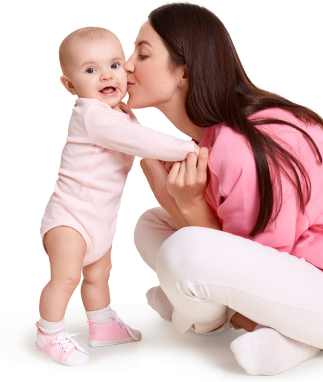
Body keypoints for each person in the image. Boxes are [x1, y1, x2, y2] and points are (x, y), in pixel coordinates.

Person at [129, 3, 323, 376]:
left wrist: (186, 201)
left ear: (183, 72)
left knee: (182, 252)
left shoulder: (239, 144)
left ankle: (219, 319)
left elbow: (241, 254)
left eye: (143, 53)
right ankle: (226, 317)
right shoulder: (214, 136)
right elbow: (235, 254)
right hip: (304, 272)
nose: (128, 64)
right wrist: (174, 197)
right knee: (151, 225)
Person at [36, 26, 199, 366]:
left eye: (113, 65)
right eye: (90, 70)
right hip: (70, 217)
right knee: (66, 277)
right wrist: (190, 148)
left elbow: (139, 135)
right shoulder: (93, 115)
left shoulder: (120, 113)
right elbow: (144, 142)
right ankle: (49, 333)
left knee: (99, 273)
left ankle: (102, 324)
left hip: (99, 218)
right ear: (70, 85)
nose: (106, 75)